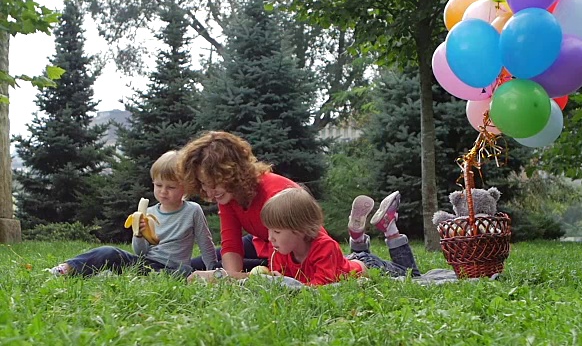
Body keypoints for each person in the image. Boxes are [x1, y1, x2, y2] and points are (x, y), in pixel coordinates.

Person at [47, 150, 218, 278]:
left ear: (186, 187)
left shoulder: (192, 210)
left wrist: (214, 270)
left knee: (184, 273)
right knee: (109, 252)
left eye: (171, 187)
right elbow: (141, 253)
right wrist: (139, 235)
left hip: (174, 270)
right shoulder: (149, 213)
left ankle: (121, 276)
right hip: (147, 265)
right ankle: (68, 269)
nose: (163, 192)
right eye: (158, 185)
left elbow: (205, 244)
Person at [179, 131, 311, 281]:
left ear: (232, 173)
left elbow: (292, 263)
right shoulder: (228, 195)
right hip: (261, 242)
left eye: (214, 183)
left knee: (216, 271)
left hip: (288, 248)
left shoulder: (275, 193)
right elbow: (231, 245)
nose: (209, 193)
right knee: (193, 266)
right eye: (203, 183)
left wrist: (224, 276)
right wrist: (229, 277)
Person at [258, 187, 420, 286]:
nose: (270, 238)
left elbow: (322, 284)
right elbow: (280, 279)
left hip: (369, 266)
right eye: (269, 230)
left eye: (277, 232)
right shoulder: (280, 250)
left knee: (411, 276)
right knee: (344, 263)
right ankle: (357, 238)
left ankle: (390, 228)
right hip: (343, 261)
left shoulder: (324, 246)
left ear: (300, 230)